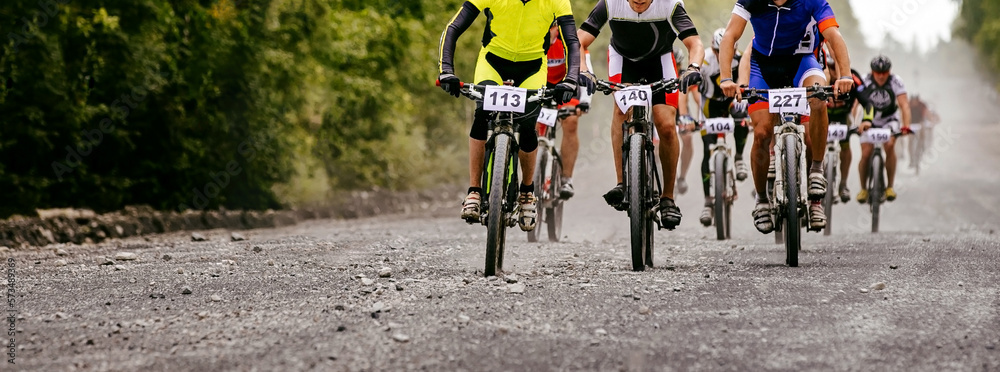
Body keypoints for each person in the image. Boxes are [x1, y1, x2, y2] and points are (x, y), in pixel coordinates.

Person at [438, 0, 581, 232]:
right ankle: (474, 191)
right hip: (492, 62)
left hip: (533, 67)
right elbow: (453, 28)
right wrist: (446, 70)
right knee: (482, 114)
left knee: (527, 126)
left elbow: (572, 42)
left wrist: (571, 78)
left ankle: (526, 192)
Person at [718, 0, 855, 234]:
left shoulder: (812, 1)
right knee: (761, 133)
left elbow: (833, 37)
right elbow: (730, 35)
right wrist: (726, 79)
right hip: (763, 67)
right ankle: (761, 200)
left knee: (819, 98)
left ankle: (816, 171)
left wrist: (845, 75)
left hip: (801, 62)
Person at [578, 0, 705, 229]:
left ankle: (668, 198)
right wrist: (584, 70)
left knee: (666, 125)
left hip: (661, 61)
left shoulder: (670, 4)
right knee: (621, 109)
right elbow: (579, 40)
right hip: (623, 60)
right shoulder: (610, 3)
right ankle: (621, 183)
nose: (638, 1)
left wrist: (693, 67)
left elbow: (694, 43)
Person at [697, 28, 750, 226]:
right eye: (718, 51)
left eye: (727, 50)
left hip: (730, 100)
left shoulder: (742, 58)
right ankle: (707, 201)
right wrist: (693, 114)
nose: (722, 55)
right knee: (706, 149)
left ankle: (738, 157)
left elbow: (749, 83)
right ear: (713, 48)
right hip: (709, 103)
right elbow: (693, 89)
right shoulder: (704, 61)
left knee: (740, 112)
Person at [541, 23, 595, 199]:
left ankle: (566, 178)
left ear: (557, 27)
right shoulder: (531, 38)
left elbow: (586, 69)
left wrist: (585, 101)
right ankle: (531, 176)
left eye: (551, 27)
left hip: (566, 89)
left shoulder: (568, 39)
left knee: (570, 122)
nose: (548, 31)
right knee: (531, 125)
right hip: (540, 89)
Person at [855, 55, 911, 203]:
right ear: (872, 71)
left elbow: (904, 105)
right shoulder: (864, 80)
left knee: (890, 145)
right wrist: (853, 123)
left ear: (889, 71)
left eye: (884, 72)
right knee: (866, 153)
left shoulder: (896, 81)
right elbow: (855, 104)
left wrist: (906, 126)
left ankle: (890, 187)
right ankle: (863, 189)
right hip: (869, 120)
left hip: (889, 119)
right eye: (877, 72)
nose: (881, 76)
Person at [820, 44, 865, 203]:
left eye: (836, 67)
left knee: (845, 146)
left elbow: (868, 102)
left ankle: (843, 183)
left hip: (843, 116)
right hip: (824, 115)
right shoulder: (818, 76)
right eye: (830, 67)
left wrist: (866, 121)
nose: (833, 71)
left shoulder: (852, 77)